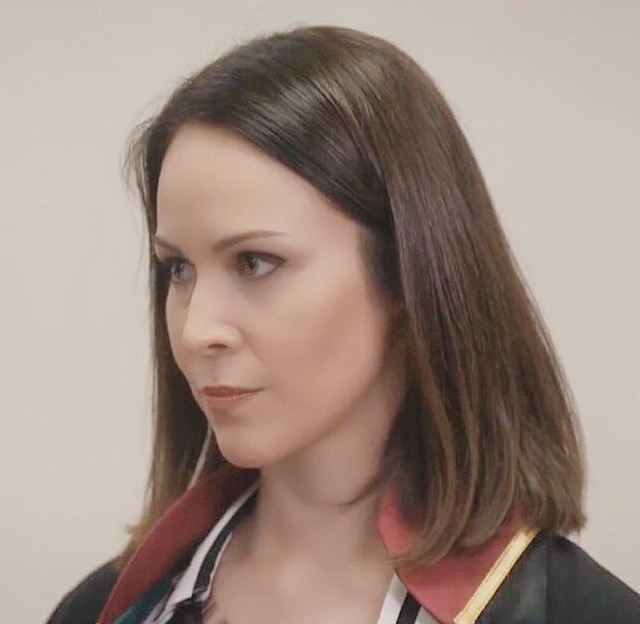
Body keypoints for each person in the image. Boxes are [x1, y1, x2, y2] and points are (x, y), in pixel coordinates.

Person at [47, 25, 640, 624]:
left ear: (406, 272)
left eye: (255, 263)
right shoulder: (104, 608)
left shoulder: (578, 612)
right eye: (178, 269)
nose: (197, 330)